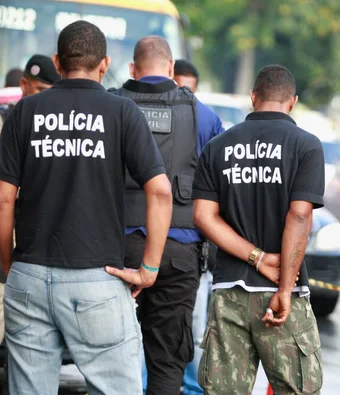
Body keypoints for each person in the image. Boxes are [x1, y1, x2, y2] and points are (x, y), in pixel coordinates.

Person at [0, 21, 172, 394]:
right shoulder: (122, 113)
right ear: (104, 64)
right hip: (97, 279)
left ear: (57, 62)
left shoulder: (25, 112)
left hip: (30, 275)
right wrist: (149, 268)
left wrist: (11, 262)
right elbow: (161, 192)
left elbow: (2, 198)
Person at [192, 64, 324, 394]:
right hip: (282, 295)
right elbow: (299, 217)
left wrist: (257, 257)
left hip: (229, 293)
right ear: (292, 101)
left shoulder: (218, 147)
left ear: (253, 97)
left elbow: (204, 217)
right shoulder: (306, 146)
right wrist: (283, 288)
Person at [112, 36, 223, 395]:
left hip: (114, 251)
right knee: (167, 362)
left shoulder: (111, 106)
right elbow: (216, 188)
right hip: (178, 254)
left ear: (133, 69)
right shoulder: (202, 115)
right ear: (173, 70)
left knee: (109, 358)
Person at [0, 54, 60, 395]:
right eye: (37, 89)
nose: (42, 96)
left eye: (48, 90)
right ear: (23, 85)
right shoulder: (1, 121)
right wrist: (28, 189)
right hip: (2, 239)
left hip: (41, 242)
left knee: (30, 333)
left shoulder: (54, 124)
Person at [173, 59, 212, 395]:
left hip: (192, 242)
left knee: (192, 323)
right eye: (179, 85)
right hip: (171, 237)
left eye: (190, 88)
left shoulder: (206, 120)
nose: (184, 93)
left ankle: (191, 387)